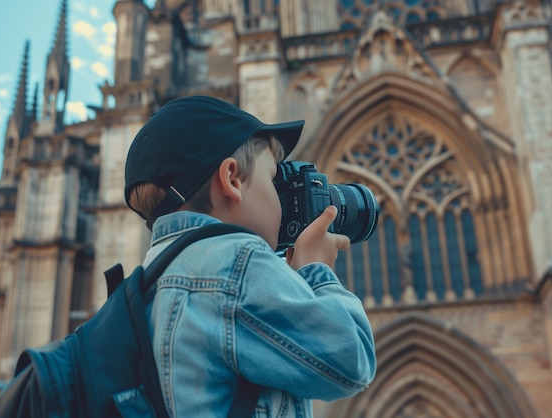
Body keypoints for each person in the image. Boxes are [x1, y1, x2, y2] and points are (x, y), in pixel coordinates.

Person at [124, 95, 377, 417]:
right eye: (272, 178)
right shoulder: (238, 264)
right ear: (232, 180)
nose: (281, 195)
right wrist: (315, 268)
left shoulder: (141, 285)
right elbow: (351, 362)